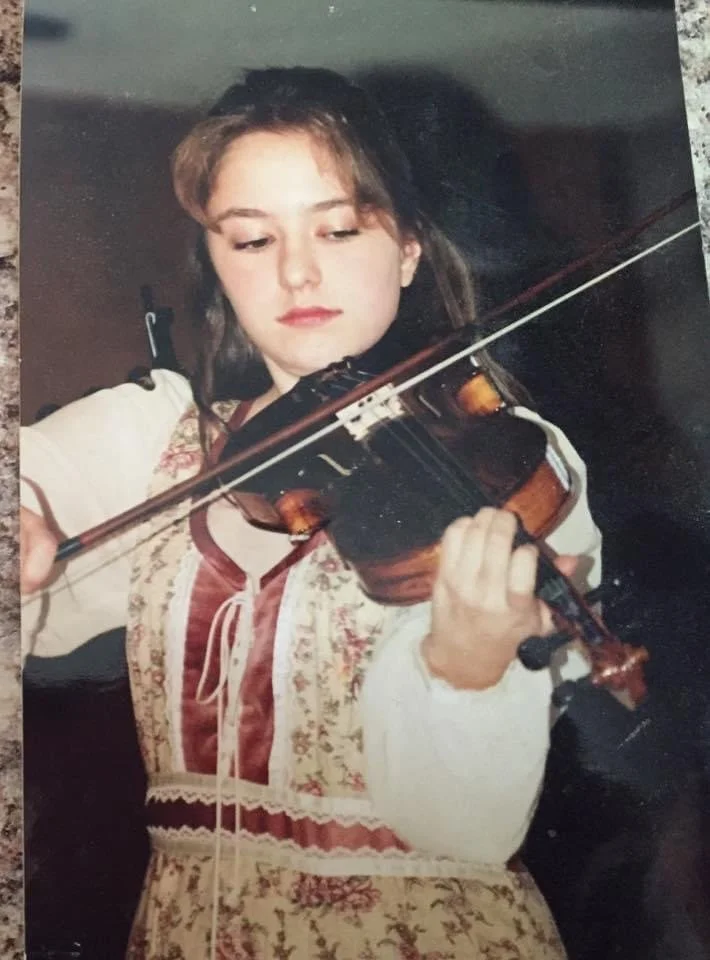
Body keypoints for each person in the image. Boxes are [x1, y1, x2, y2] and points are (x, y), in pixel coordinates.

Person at [21, 67, 602, 960]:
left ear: (408, 247)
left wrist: (471, 668)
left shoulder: (497, 461)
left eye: (337, 228)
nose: (297, 270)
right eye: (252, 241)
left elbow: (470, 828)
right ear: (215, 260)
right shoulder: (155, 444)